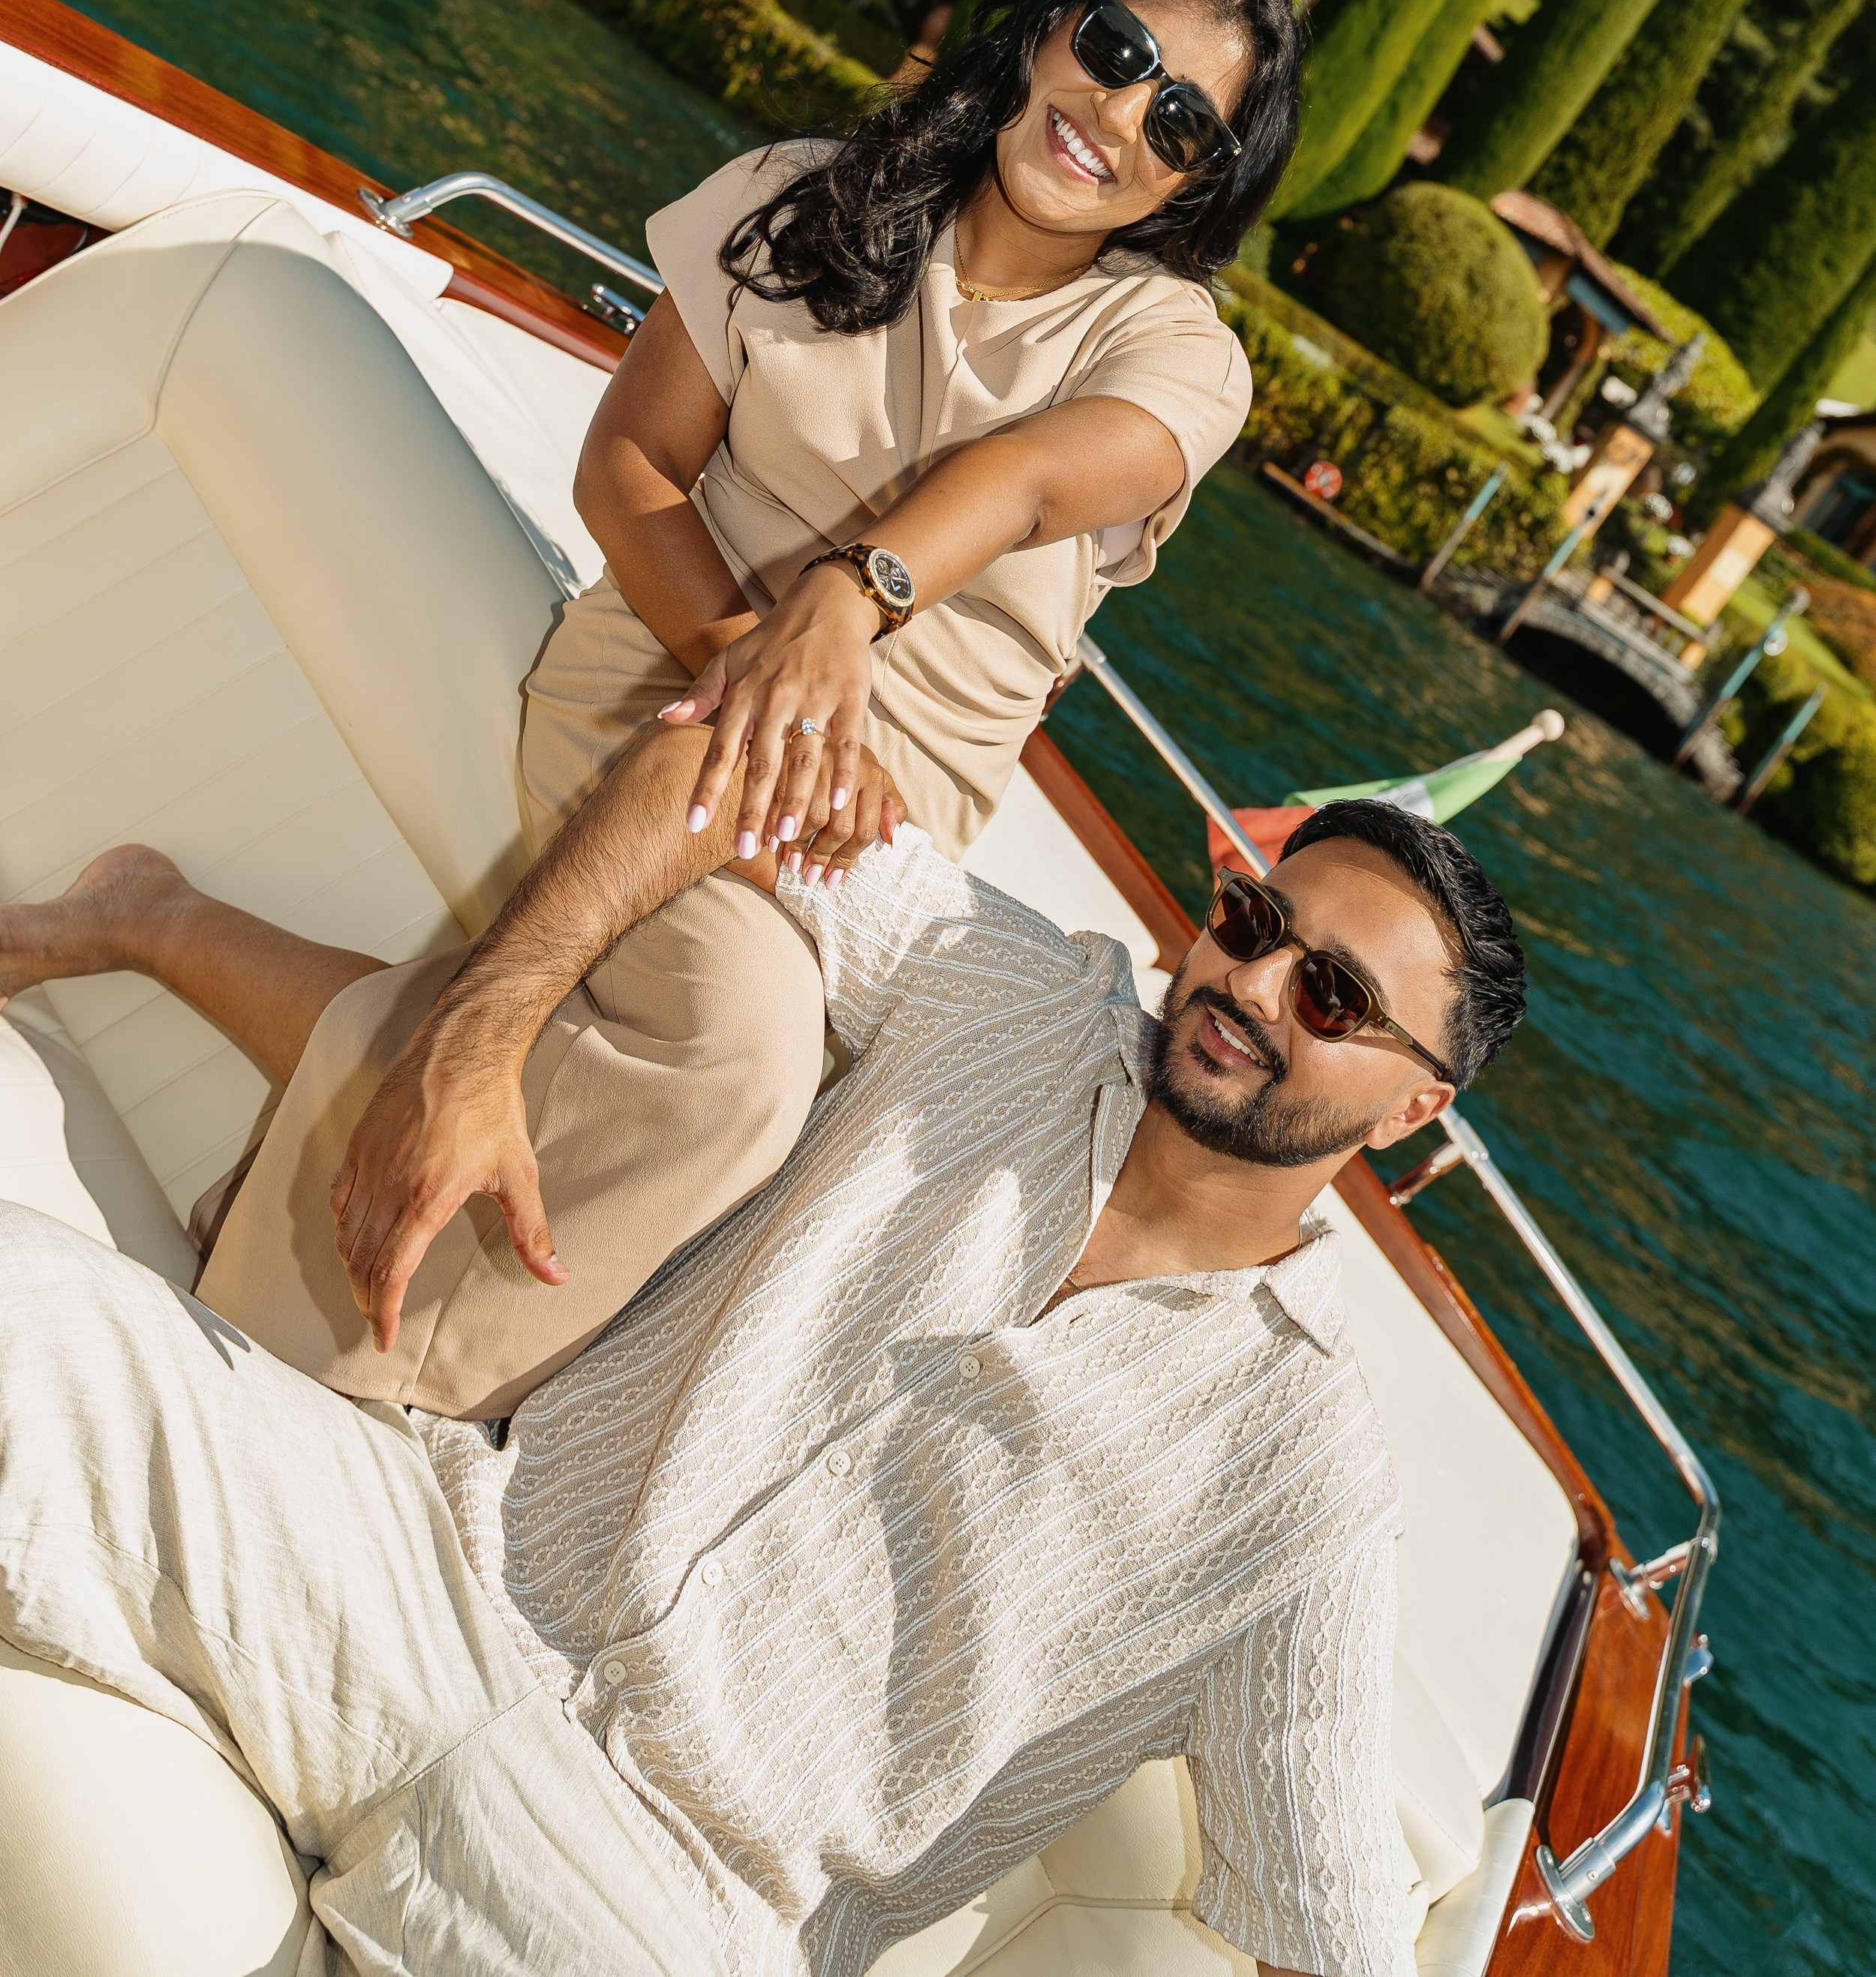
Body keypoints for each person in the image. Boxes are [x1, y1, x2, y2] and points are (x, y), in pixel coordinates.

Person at [0, 714, 1526, 1977]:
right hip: (428, 1565)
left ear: (1407, 1111)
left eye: (1329, 995)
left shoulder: (1304, 1484)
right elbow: (716, 772)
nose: (1251, 987)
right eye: (1252, 924)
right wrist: (481, 1035)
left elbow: (1326, 1947)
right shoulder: (1005, 991)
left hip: (659, 1908)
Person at [164, 0, 1300, 1414]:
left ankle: (183, 997)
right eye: (1115, 51)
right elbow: (631, 464)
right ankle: (358, 1393)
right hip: (660, 667)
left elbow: (1027, 480)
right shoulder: (802, 199)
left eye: (1175, 123)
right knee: (738, 1062)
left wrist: (848, 596)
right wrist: (756, 676)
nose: (1114, 115)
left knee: (794, 1118)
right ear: (1052, 27)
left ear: (1191, 186)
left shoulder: (1174, 352)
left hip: (879, 821)